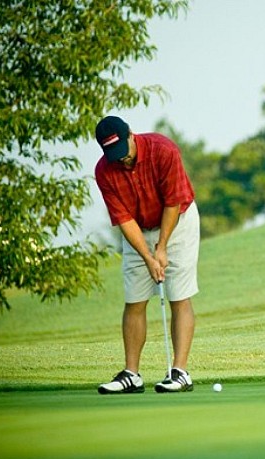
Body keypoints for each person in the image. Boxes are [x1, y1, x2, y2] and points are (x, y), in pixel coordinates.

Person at [93, 116, 200, 394]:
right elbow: (124, 219)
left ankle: (179, 372)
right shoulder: (104, 170)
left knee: (178, 295)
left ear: (131, 134)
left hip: (177, 223)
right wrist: (148, 257)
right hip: (138, 230)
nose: (122, 161)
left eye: (123, 153)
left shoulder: (163, 150)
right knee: (134, 300)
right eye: (113, 156)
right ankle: (131, 374)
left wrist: (162, 247)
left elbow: (173, 202)